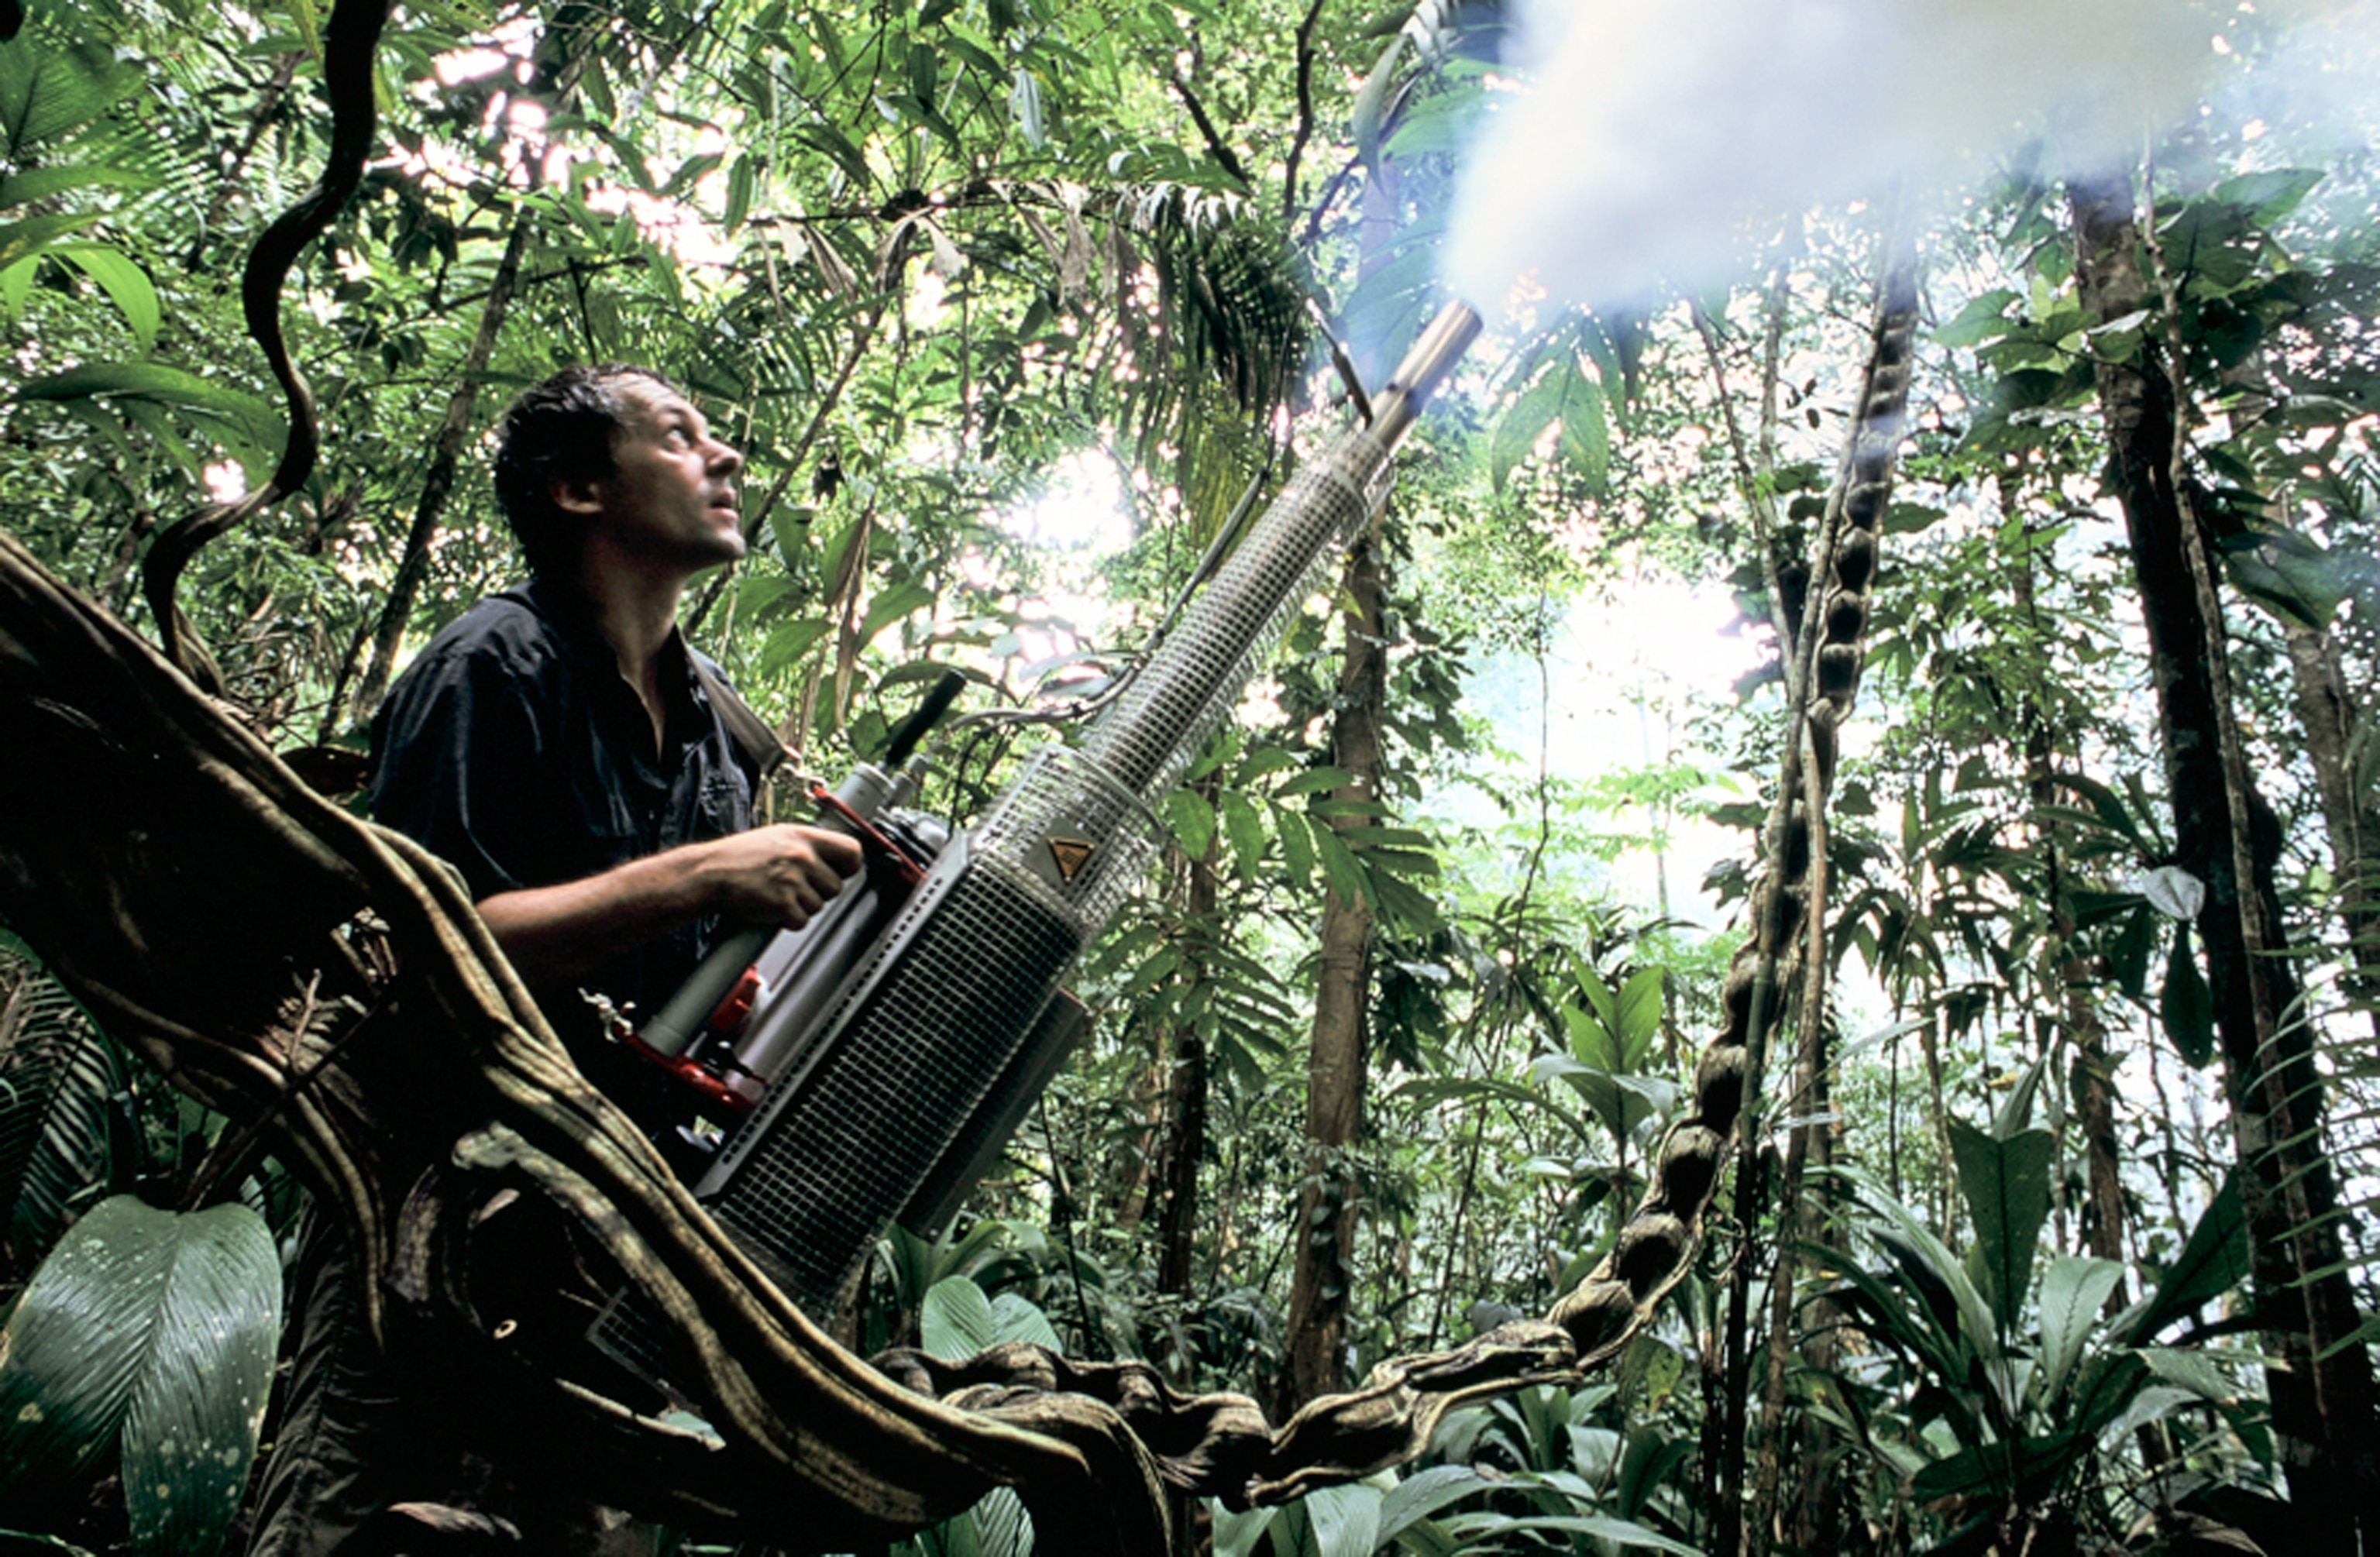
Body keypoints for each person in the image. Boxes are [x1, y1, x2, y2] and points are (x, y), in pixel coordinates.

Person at [248, 365, 860, 1556]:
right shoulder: (492, 665)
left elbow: (658, 980)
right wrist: (699, 879)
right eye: (682, 437)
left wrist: (728, 986)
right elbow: (420, 932)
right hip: (426, 1205)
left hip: (596, 1232)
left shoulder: (714, 743)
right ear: (581, 488)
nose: (726, 457)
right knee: (358, 1513)